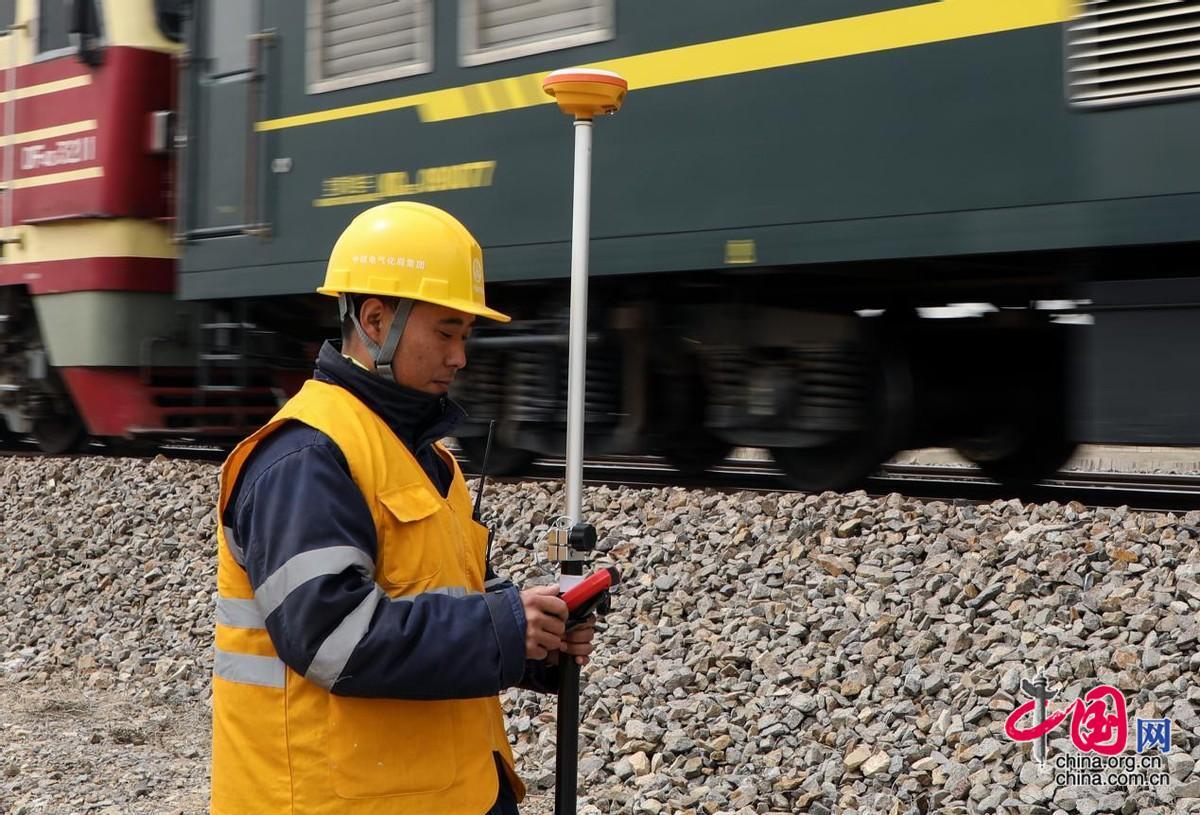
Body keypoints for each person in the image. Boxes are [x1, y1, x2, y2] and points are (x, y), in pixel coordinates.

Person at [210, 202, 596, 815]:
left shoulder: (430, 461)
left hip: (445, 792)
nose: (460, 357)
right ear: (374, 320)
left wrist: (536, 640)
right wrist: (502, 628)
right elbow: (331, 637)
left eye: (465, 336)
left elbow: (450, 593)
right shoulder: (306, 457)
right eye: (445, 332)